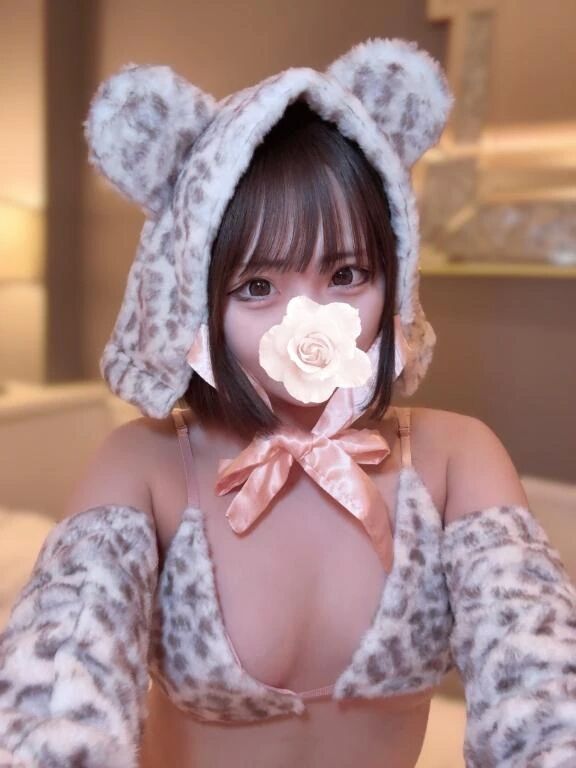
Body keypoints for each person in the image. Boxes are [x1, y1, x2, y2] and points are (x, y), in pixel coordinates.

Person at [1, 37, 576, 768]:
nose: (308, 320)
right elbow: (55, 691)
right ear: (196, 298)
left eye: (346, 274)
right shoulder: (143, 464)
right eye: (257, 287)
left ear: (395, 276)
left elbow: (542, 687)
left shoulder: (454, 459)